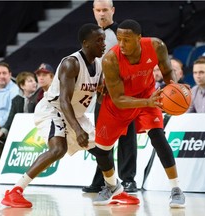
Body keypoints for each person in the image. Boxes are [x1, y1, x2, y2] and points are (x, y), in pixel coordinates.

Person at [1, 23, 107, 208]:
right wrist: (77, 129)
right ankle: (15, 191)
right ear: (86, 43)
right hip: (54, 109)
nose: (104, 44)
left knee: (103, 149)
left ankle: (116, 190)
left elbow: (97, 97)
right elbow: (64, 100)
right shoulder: (71, 63)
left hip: (74, 113)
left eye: (104, 39)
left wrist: (104, 94)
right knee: (58, 149)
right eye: (99, 40)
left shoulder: (98, 66)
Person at [92, 19, 185, 207]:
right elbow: (118, 99)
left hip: (147, 94)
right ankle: (111, 186)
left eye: (127, 39)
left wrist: (174, 88)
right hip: (118, 103)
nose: (122, 44)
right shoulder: (111, 59)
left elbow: (167, 72)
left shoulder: (156, 46)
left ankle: (176, 189)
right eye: (119, 39)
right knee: (102, 150)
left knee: (158, 137)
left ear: (139, 38)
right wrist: (147, 102)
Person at [83, 0, 138, 194]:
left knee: (127, 139)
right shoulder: (90, 36)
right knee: (102, 140)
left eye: (105, 10)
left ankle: (129, 179)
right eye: (98, 10)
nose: (102, 14)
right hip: (101, 96)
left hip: (124, 93)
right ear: (93, 12)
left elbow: (134, 63)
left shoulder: (122, 34)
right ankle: (102, 180)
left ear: (113, 10)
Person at [0, 71, 38, 163]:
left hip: (34, 130)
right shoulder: (16, 100)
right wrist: (2, 131)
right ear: (22, 86)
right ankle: (2, 163)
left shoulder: (39, 97)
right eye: (30, 81)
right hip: (19, 130)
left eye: (34, 81)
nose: (34, 83)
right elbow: (11, 118)